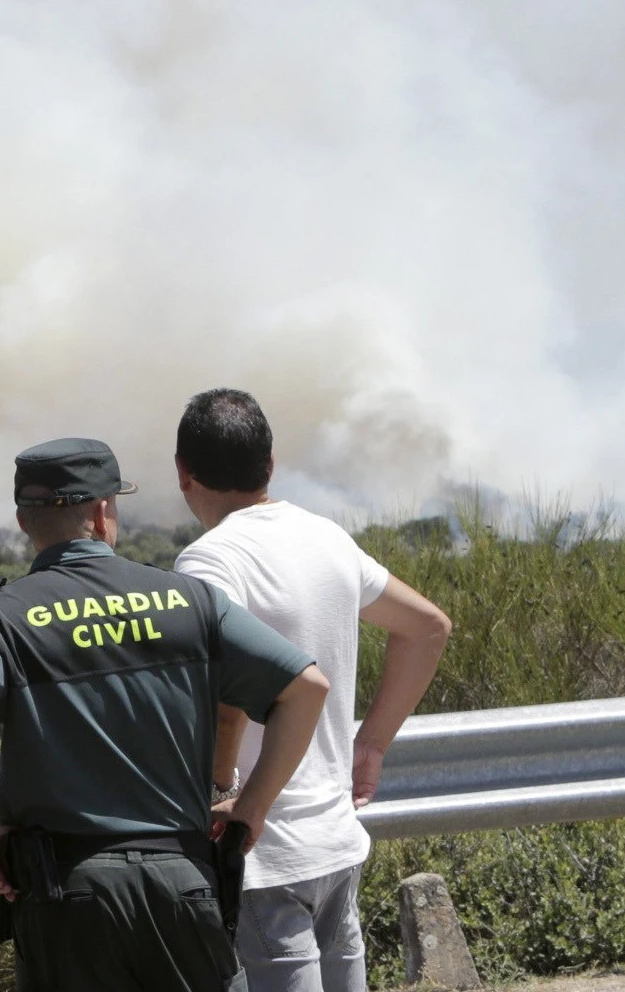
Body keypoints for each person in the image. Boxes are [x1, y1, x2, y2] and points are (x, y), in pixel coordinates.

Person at [0, 437, 332, 992]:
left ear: (23, 519)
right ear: (104, 510)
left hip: (68, 899)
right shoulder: (189, 601)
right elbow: (306, 687)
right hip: (185, 888)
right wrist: (250, 808)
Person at [171, 389, 453, 992]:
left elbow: (226, 705)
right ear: (269, 465)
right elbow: (428, 628)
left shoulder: (207, 563)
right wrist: (371, 745)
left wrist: (225, 795)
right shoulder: (327, 538)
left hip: (261, 852)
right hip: (335, 838)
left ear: (182, 473)